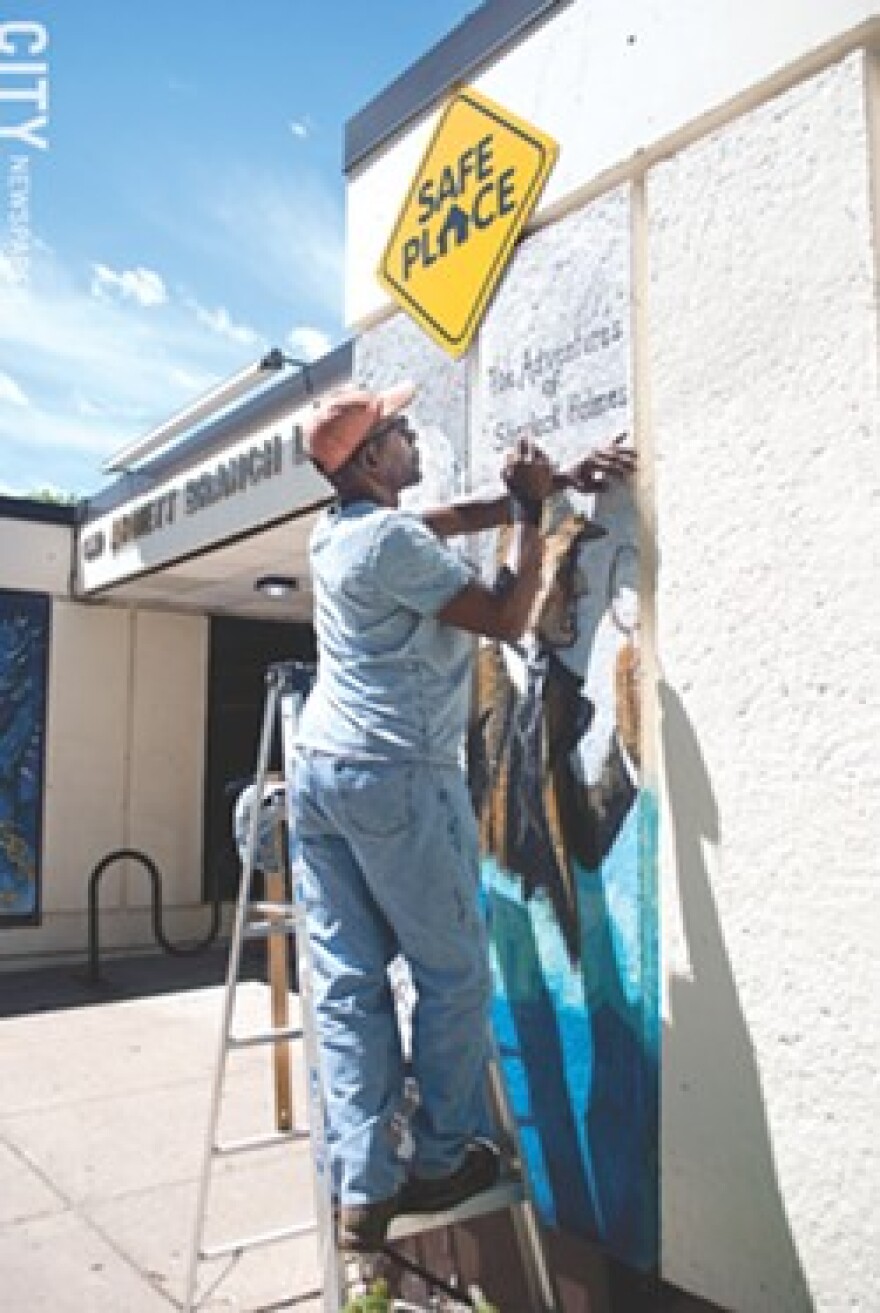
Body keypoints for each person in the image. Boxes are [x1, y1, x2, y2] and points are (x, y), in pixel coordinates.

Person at [291, 379, 633, 1253]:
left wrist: (553, 485)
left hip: (321, 770)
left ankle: (363, 1186)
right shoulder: (390, 542)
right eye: (400, 430)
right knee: (454, 974)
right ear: (372, 460)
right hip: (396, 773)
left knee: (347, 981)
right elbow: (510, 617)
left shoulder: (335, 530)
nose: (412, 437)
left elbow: (445, 518)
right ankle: (441, 1156)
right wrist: (531, 512)